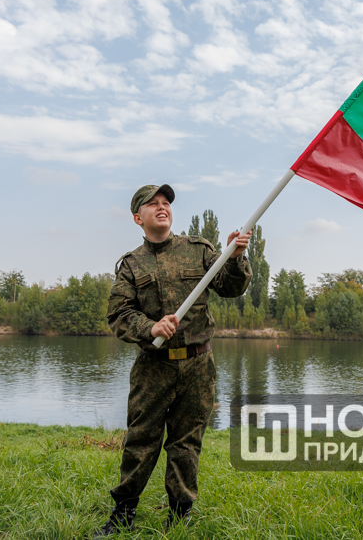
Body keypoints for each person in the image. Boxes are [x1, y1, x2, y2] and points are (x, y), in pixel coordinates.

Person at [93, 184, 252, 536]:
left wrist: (235, 257)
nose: (162, 207)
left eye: (166, 202)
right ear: (138, 218)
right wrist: (150, 327)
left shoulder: (199, 250)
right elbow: (118, 315)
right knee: (141, 439)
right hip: (154, 367)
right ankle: (124, 513)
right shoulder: (131, 265)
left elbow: (231, 287)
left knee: (186, 442)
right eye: (153, 204)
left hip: (198, 365)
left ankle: (180, 515)